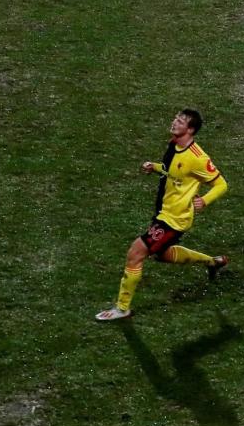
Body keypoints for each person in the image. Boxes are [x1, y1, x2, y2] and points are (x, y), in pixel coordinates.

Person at [96, 109, 229, 321]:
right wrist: (156, 167)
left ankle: (122, 309)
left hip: (174, 220)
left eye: (181, 121)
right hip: (164, 212)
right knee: (163, 255)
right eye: (175, 118)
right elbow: (172, 170)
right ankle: (213, 262)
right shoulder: (173, 144)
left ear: (191, 129)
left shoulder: (198, 158)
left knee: (135, 254)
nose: (175, 122)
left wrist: (204, 200)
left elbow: (221, 184)